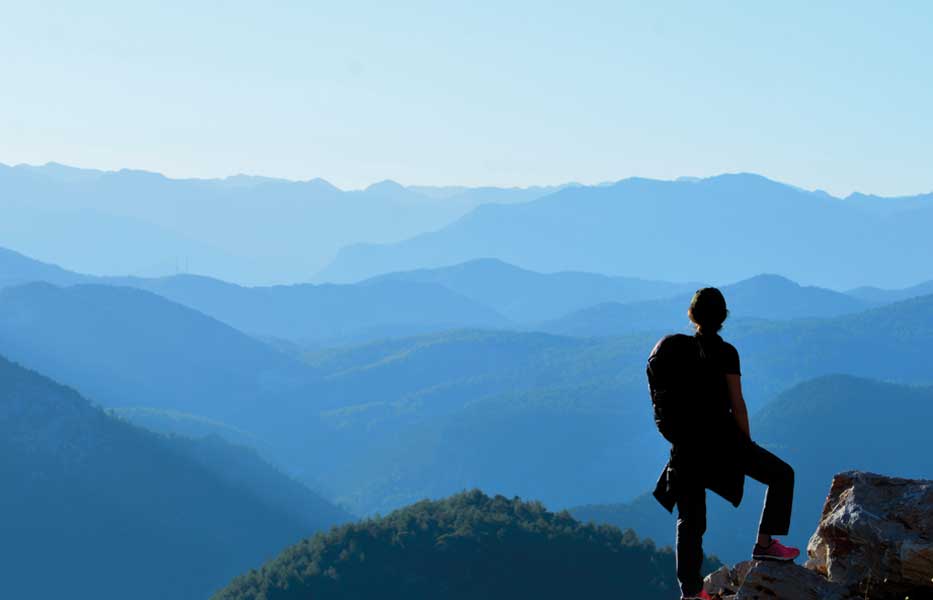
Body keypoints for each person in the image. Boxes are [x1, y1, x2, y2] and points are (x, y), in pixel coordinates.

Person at [649, 288, 799, 600]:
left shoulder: (674, 351)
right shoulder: (726, 353)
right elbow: (738, 405)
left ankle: (690, 593)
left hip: (686, 447)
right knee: (781, 475)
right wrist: (746, 445)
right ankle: (765, 543)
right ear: (723, 318)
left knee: (690, 521)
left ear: (691, 316)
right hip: (723, 442)